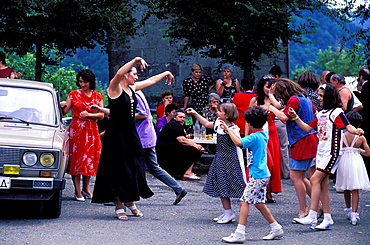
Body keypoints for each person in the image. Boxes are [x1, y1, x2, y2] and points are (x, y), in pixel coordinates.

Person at [91, 57, 174, 221]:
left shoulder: (132, 88)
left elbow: (150, 81)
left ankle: (129, 200)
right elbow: (119, 72)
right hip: (116, 134)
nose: (136, 77)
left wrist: (166, 72)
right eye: (134, 74)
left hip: (131, 133)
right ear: (125, 75)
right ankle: (119, 204)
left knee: (135, 166)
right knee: (119, 168)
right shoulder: (114, 88)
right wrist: (135, 60)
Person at [290, 83, 363, 230]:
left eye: (321, 95)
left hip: (332, 153)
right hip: (321, 153)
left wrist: (357, 131)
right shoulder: (321, 114)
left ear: (329, 96)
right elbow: (306, 128)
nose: (318, 98)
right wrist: (296, 117)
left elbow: (347, 126)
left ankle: (312, 214)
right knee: (322, 185)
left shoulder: (336, 112)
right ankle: (327, 218)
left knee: (315, 179)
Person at [221, 107, 283, 243]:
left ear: (249, 123)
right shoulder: (263, 133)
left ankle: (240, 233)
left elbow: (238, 143)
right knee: (259, 203)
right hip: (262, 174)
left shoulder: (254, 137)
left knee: (244, 201)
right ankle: (276, 228)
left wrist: (228, 130)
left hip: (258, 175)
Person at [187, 103, 246, 224]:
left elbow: (238, 142)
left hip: (230, 160)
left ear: (227, 115)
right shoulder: (218, 124)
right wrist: (195, 113)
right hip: (220, 158)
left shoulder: (234, 129)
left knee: (228, 184)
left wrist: (228, 130)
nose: (217, 113)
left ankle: (232, 212)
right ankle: (227, 211)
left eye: (220, 111)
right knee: (220, 184)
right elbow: (206, 123)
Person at [269, 78, 318, 220]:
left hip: (301, 139)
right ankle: (317, 206)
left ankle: (304, 209)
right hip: (310, 138)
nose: (279, 97)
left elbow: (284, 117)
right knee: (302, 176)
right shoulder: (305, 98)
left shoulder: (293, 100)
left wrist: (271, 108)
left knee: (295, 176)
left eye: (278, 94)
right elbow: (314, 114)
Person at [135, 90, 188, 205]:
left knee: (130, 166)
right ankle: (178, 189)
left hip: (141, 137)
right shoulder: (139, 94)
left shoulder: (134, 94)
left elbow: (143, 114)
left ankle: (122, 197)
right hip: (147, 137)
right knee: (154, 167)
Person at [60, 69, 104, 202]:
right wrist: (61, 105)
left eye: (85, 82)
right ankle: (77, 190)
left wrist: (89, 115)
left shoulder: (97, 96)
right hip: (77, 130)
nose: (82, 85)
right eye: (80, 82)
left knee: (89, 159)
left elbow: (102, 115)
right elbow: (65, 111)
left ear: (91, 82)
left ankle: (86, 188)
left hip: (91, 130)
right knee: (77, 159)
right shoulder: (73, 94)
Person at [334, 111, 370, 225]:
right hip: (356, 161)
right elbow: (368, 153)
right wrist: (358, 150)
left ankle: (348, 209)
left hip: (344, 160)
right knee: (355, 188)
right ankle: (354, 214)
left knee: (346, 187)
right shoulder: (361, 138)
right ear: (358, 125)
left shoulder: (342, 135)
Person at [249, 75, 282, 202]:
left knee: (272, 164)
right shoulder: (255, 100)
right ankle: (258, 190)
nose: (269, 90)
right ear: (261, 86)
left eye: (272, 87)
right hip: (258, 134)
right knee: (261, 162)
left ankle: (269, 191)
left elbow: (279, 108)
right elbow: (248, 119)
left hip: (272, 134)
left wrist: (272, 96)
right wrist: (248, 136)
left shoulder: (275, 101)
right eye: (267, 87)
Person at [156, 110, 203, 180]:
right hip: (166, 150)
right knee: (194, 150)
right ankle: (187, 173)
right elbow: (182, 140)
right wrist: (195, 145)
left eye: (184, 117)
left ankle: (183, 171)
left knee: (194, 148)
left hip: (170, 148)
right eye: (180, 117)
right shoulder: (174, 124)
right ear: (175, 117)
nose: (182, 119)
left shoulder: (177, 125)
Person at [269, 65, 290, 179]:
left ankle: (281, 172)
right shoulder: (283, 88)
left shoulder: (276, 89)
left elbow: (279, 105)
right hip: (280, 121)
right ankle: (285, 172)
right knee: (283, 147)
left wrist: (270, 96)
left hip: (277, 119)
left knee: (279, 147)